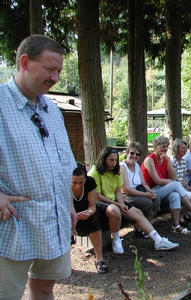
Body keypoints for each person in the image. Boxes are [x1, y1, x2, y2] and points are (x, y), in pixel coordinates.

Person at [0, 35, 77, 300]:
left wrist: (68, 205)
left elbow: (65, 164)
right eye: (49, 69)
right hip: (12, 225)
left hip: (53, 221)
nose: (55, 77)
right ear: (25, 62)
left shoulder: (52, 111)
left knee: (44, 289)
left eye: (58, 71)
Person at [89, 147, 179, 252]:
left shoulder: (116, 171)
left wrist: (122, 204)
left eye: (115, 160)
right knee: (115, 210)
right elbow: (97, 196)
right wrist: (119, 205)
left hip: (115, 201)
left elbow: (118, 191)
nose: (114, 163)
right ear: (104, 159)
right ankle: (116, 239)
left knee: (137, 212)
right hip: (100, 202)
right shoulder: (95, 172)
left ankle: (158, 240)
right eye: (111, 160)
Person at [141, 136, 191, 235]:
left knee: (175, 196)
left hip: (161, 189)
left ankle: (176, 226)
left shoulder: (165, 159)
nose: (165, 149)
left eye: (167, 146)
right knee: (176, 184)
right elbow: (158, 181)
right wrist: (171, 181)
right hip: (150, 191)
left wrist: (169, 162)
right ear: (155, 146)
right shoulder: (149, 160)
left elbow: (173, 177)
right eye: (163, 146)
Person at [72, 163, 119, 274]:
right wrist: (74, 215)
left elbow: (92, 206)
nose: (78, 186)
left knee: (94, 219)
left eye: (81, 182)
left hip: (86, 210)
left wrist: (88, 213)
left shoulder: (90, 182)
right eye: (74, 183)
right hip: (71, 213)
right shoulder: (64, 184)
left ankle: (99, 258)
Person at [120, 142, 159, 221]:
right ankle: (141, 225)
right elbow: (126, 190)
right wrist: (146, 195)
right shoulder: (122, 167)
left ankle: (148, 221)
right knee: (147, 203)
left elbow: (144, 183)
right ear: (127, 153)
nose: (134, 156)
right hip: (127, 195)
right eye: (132, 153)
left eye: (137, 154)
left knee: (157, 199)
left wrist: (151, 193)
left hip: (139, 191)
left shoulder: (137, 166)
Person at [171, 139, 191, 222]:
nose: (185, 150)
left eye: (185, 148)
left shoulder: (184, 161)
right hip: (174, 187)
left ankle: (182, 214)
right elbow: (173, 178)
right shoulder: (172, 161)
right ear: (176, 149)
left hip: (182, 186)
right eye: (182, 148)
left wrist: (187, 186)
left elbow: (183, 178)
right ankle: (180, 218)